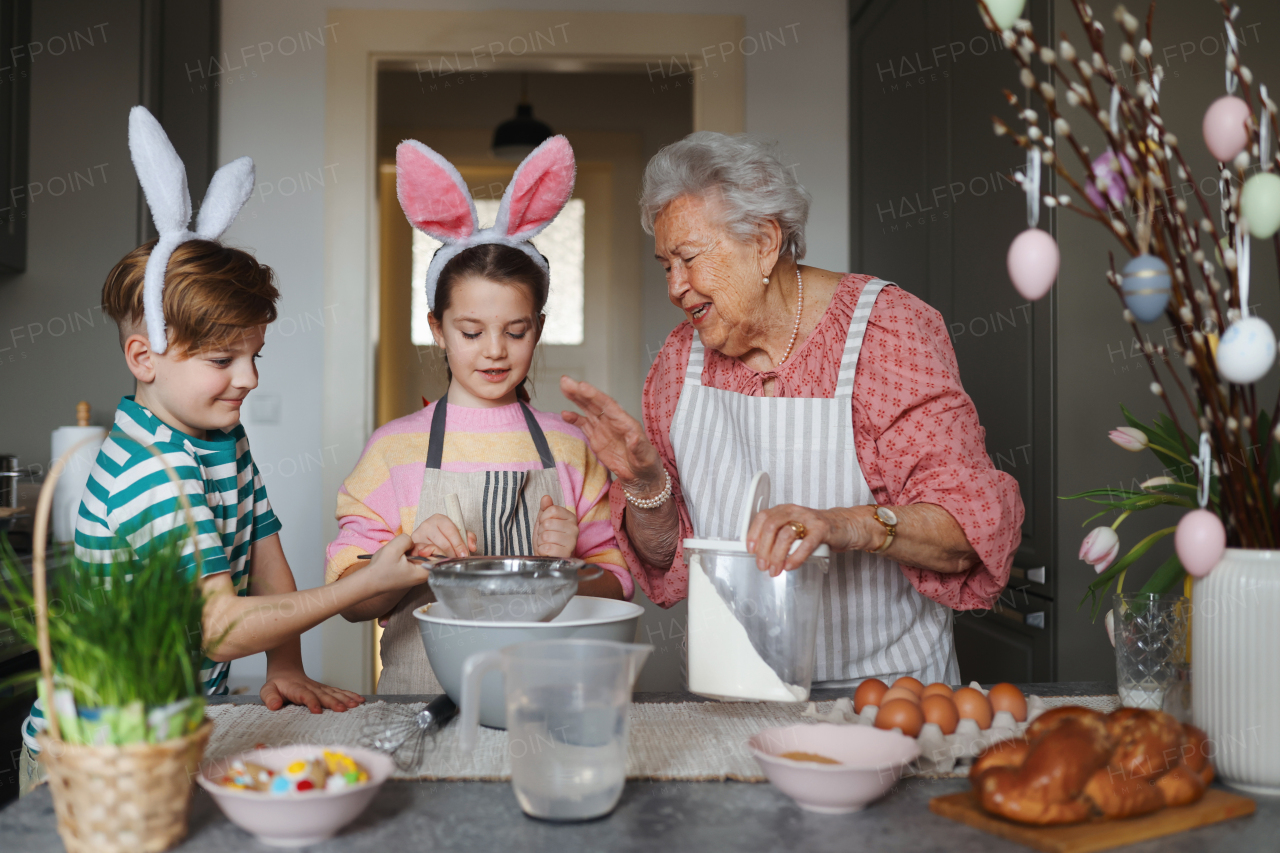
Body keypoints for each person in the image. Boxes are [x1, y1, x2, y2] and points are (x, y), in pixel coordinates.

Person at [19, 107, 426, 797]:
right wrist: (360, 586)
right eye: (221, 358)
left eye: (254, 354)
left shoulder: (217, 436)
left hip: (165, 727)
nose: (250, 377)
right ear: (143, 356)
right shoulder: (151, 470)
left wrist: (285, 664)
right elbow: (220, 627)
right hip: (92, 754)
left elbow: (265, 550)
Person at [561, 132, 1025, 686]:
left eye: (687, 258)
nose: (675, 287)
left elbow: (964, 535)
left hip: (887, 696)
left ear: (763, 241)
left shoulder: (885, 332)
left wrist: (840, 525)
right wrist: (643, 483)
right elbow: (664, 557)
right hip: (733, 691)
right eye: (665, 266)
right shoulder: (677, 363)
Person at [328, 136, 631, 694]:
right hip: (420, 702)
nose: (494, 350)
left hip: (546, 701)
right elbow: (349, 602)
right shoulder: (395, 451)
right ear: (436, 329)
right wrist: (410, 554)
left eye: (514, 332)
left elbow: (617, 582)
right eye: (471, 332)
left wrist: (568, 568)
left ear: (536, 330)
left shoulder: (569, 445)